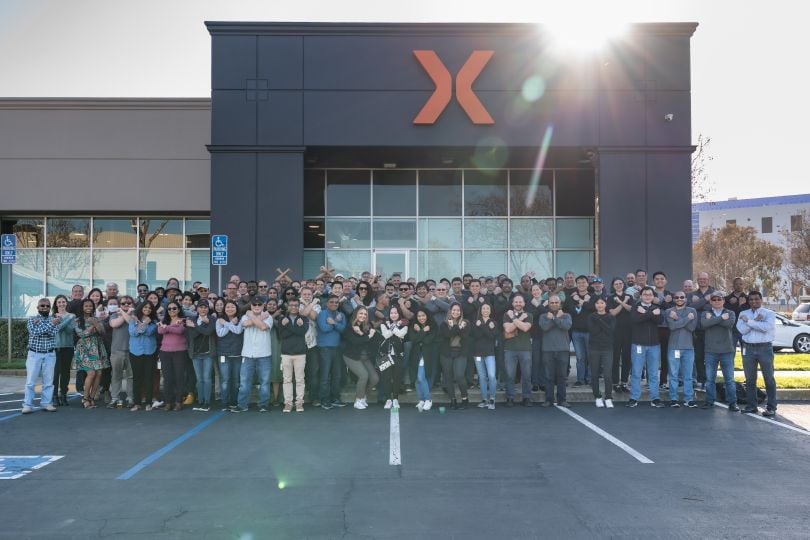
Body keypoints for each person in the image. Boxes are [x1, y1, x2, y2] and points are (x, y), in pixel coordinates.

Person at [737, 290, 777, 417]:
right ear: (748, 301)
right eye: (751, 299)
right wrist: (755, 320)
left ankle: (771, 407)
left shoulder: (769, 313)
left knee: (769, 378)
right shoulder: (743, 313)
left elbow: (766, 328)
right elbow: (742, 330)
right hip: (748, 349)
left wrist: (749, 321)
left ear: (761, 299)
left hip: (764, 348)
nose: (754, 301)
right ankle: (751, 406)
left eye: (756, 299)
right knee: (750, 379)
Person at [699, 291, 739, 411]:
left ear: (723, 301)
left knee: (729, 379)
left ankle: (733, 402)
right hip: (711, 351)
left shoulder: (730, 313)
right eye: (714, 299)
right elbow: (704, 324)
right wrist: (721, 318)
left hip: (727, 350)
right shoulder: (706, 313)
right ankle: (709, 401)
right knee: (710, 379)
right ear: (710, 301)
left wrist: (713, 320)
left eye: (719, 299)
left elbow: (729, 324)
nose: (717, 301)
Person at [233, 298, 274, 412]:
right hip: (247, 354)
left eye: (259, 304)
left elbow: (263, 327)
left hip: (264, 354)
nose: (256, 306)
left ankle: (263, 405)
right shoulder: (246, 316)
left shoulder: (269, 317)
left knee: (264, 382)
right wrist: (258, 317)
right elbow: (246, 324)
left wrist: (253, 317)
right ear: (251, 306)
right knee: (244, 382)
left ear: (263, 305)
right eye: (254, 304)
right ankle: (242, 405)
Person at [626, 287, 663, 408]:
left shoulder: (656, 308)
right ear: (641, 296)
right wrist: (650, 314)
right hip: (638, 344)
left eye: (650, 294)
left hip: (654, 346)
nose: (647, 296)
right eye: (645, 294)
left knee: (653, 373)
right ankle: (634, 398)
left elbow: (659, 320)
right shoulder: (636, 308)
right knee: (636, 372)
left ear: (653, 296)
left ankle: (655, 398)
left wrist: (647, 313)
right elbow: (635, 320)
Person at [23, 297, 60, 414]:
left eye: (47, 306)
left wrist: (44, 325)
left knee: (48, 381)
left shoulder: (55, 319)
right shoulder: (31, 319)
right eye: (42, 305)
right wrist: (50, 324)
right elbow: (35, 332)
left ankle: (46, 403)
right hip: (34, 354)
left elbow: (52, 332)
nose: (45, 307)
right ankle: (27, 405)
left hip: (49, 354)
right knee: (30, 381)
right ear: (38, 307)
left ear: (50, 308)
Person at [73, 298, 109, 409]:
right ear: (82, 308)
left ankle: (92, 398)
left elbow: (103, 332)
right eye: (86, 306)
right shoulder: (77, 320)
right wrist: (93, 326)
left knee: (99, 373)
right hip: (84, 348)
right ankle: (85, 398)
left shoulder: (96, 319)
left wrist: (96, 325)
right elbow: (82, 334)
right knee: (91, 373)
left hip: (97, 347)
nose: (89, 308)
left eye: (90, 306)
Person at [664, 291, 698, 408]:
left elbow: (692, 328)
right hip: (674, 348)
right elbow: (672, 327)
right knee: (673, 375)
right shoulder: (669, 311)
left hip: (688, 348)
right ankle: (673, 398)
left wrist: (677, 318)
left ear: (685, 299)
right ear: (674, 299)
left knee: (688, 376)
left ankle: (688, 399)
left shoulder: (692, 311)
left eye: (682, 297)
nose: (679, 299)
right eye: (677, 297)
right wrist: (686, 319)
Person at [342, 307, 380, 410]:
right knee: (363, 375)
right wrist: (367, 336)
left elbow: (372, 340)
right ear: (356, 314)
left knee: (375, 378)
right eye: (360, 313)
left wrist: (363, 334)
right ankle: (358, 400)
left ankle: (363, 396)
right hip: (351, 356)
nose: (363, 316)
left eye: (365, 314)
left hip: (365, 357)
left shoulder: (367, 325)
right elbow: (356, 342)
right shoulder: (349, 327)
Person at [539, 295, 573, 407]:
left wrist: (554, 319)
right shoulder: (543, 316)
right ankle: (548, 400)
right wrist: (555, 319)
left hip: (563, 350)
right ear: (548, 304)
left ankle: (562, 400)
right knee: (548, 376)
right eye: (552, 302)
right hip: (548, 350)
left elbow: (566, 326)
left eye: (556, 302)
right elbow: (545, 328)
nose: (554, 304)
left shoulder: (566, 315)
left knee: (562, 376)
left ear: (560, 303)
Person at [316, 295, 348, 410]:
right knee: (325, 375)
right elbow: (324, 329)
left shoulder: (341, 315)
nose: (334, 304)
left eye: (336, 302)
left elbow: (343, 329)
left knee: (337, 375)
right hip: (325, 348)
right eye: (332, 302)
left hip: (337, 348)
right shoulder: (322, 314)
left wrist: (333, 323)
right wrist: (335, 324)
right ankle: (324, 400)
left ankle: (335, 398)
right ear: (327, 303)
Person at [503, 295, 534, 407]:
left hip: (525, 349)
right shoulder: (507, 315)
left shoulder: (529, 315)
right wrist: (520, 320)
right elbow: (508, 329)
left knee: (526, 375)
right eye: (516, 302)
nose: (518, 303)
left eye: (520, 302)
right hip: (510, 349)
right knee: (510, 375)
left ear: (524, 304)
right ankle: (510, 398)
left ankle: (526, 398)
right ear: (512, 303)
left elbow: (525, 328)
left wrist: (514, 319)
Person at [157, 301, 189, 411]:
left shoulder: (183, 320)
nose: (172, 310)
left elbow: (180, 330)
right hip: (165, 352)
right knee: (167, 378)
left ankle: (179, 401)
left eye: (174, 308)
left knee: (179, 377)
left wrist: (167, 327)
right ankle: (168, 402)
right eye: (169, 309)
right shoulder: (164, 320)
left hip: (179, 351)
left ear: (179, 309)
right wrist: (170, 326)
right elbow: (160, 330)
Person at [278, 298, 308, 412]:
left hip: (300, 353)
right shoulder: (282, 319)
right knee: (287, 379)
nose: (294, 307)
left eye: (296, 305)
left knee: (300, 379)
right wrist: (295, 328)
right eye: (291, 305)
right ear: (288, 306)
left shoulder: (304, 319)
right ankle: (288, 403)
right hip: (286, 353)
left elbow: (302, 333)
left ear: (299, 306)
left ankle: (299, 403)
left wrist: (288, 327)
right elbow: (282, 335)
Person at [439, 302, 470, 410]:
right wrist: (457, 328)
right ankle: (453, 400)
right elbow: (448, 335)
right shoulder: (444, 323)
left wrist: (455, 326)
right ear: (450, 311)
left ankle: (465, 399)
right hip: (446, 353)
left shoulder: (466, 322)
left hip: (460, 353)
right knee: (448, 377)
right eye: (454, 310)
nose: (456, 312)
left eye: (458, 310)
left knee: (459, 376)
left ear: (461, 312)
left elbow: (465, 335)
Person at [128, 299, 158, 411]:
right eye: (145, 307)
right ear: (141, 308)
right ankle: (137, 403)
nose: (147, 309)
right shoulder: (133, 320)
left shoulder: (154, 321)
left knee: (149, 377)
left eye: (150, 308)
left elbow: (149, 332)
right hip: (135, 351)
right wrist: (143, 323)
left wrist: (141, 325)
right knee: (137, 378)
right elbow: (133, 333)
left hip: (150, 351)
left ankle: (149, 403)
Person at [186, 300, 216, 412]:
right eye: (201, 307)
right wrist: (201, 325)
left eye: (205, 307)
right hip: (195, 353)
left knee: (207, 378)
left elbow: (208, 332)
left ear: (208, 309)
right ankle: (200, 401)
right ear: (197, 309)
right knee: (199, 379)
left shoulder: (212, 319)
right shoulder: (192, 320)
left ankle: (207, 402)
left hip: (208, 353)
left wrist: (196, 326)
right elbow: (192, 335)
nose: (203, 309)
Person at [565, 275, 593, 387]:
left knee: (591, 356)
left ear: (587, 284)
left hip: (590, 331)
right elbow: (568, 311)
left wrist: (581, 301)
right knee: (580, 357)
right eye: (579, 282)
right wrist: (580, 301)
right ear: (577, 284)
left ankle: (590, 379)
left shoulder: (593, 296)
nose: (581, 284)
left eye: (583, 282)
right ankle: (580, 379)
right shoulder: (571, 298)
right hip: (576, 332)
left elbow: (592, 308)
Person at [587, 297, 615, 408]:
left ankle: (608, 397)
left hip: (607, 348)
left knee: (607, 374)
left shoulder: (611, 316)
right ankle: (597, 396)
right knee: (594, 373)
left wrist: (598, 321)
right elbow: (592, 331)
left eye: (602, 302)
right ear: (594, 305)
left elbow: (610, 331)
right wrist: (603, 325)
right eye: (597, 303)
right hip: (594, 347)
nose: (599, 305)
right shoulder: (590, 316)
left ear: (605, 304)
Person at [215, 300, 244, 411]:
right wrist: (230, 323)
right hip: (224, 354)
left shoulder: (240, 319)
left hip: (237, 354)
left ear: (236, 308)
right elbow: (220, 333)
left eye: (232, 307)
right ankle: (224, 402)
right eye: (227, 307)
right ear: (224, 309)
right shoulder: (219, 320)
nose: (230, 309)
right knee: (225, 379)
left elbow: (238, 331)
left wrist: (227, 324)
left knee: (236, 379)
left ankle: (234, 402)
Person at [107, 296, 135, 408]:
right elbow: (114, 324)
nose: (126, 305)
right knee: (116, 375)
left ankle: (130, 398)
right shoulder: (114, 315)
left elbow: (131, 322)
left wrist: (125, 313)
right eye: (123, 303)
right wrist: (125, 313)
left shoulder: (134, 315)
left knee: (131, 376)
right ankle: (115, 398)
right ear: (120, 305)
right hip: (116, 350)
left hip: (131, 351)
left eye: (129, 303)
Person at [379, 304, 408, 409]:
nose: (393, 315)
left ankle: (395, 399)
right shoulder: (383, 324)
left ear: (399, 314)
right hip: (384, 355)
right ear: (389, 314)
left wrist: (392, 327)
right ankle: (388, 399)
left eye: (396, 313)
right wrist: (394, 327)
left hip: (398, 355)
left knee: (397, 378)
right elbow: (386, 335)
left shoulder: (404, 323)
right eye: (391, 313)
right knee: (386, 378)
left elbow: (400, 334)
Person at [608, 277, 632, 394]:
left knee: (627, 357)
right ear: (613, 285)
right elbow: (613, 313)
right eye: (616, 283)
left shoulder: (630, 297)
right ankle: (615, 383)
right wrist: (623, 303)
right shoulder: (610, 298)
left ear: (624, 284)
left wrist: (622, 301)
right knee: (616, 358)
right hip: (615, 331)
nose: (618, 285)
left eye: (620, 283)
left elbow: (631, 310)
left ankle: (624, 382)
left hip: (628, 331)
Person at [410, 307, 437, 412]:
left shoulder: (433, 326)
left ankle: (428, 400)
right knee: (417, 379)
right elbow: (413, 339)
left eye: (423, 315)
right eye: (419, 316)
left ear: (427, 316)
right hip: (416, 355)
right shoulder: (413, 326)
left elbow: (428, 341)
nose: (421, 318)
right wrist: (422, 331)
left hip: (426, 355)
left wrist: (420, 332)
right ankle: (421, 400)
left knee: (421, 377)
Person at [472, 303, 498, 410]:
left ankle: (492, 399)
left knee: (491, 376)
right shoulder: (476, 322)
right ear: (481, 310)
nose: (486, 310)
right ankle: (484, 400)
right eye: (484, 308)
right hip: (477, 353)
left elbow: (491, 336)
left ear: (490, 311)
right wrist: (486, 328)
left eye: (488, 308)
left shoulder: (493, 322)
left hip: (490, 353)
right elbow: (476, 336)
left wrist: (482, 326)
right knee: (482, 377)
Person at [51, 295, 75, 406]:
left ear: (66, 303)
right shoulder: (52, 316)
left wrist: (63, 320)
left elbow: (70, 331)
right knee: (56, 373)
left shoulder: (72, 315)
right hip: (56, 347)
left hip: (68, 347)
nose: (61, 304)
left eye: (63, 302)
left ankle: (63, 395)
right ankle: (54, 395)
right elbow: (57, 329)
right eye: (59, 302)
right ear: (56, 304)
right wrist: (67, 320)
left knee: (66, 372)